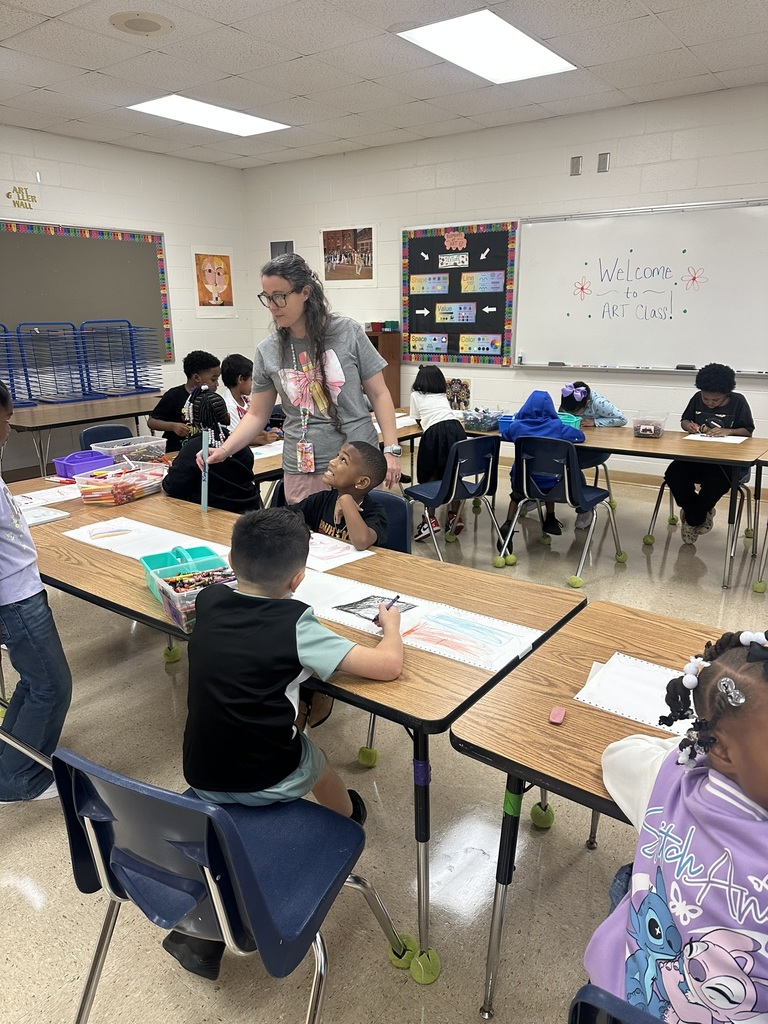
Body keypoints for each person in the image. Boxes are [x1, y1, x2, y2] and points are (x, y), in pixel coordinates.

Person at [163, 506, 403, 980]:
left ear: (232, 561)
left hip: (201, 774)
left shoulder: (210, 601)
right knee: (317, 759)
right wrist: (390, 629)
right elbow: (387, 666)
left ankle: (203, 929)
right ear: (298, 579)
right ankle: (348, 820)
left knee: (277, 730)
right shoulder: (296, 625)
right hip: (263, 775)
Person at [584, 628, 768, 1023]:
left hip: (614, 1005)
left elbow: (616, 756)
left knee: (630, 880)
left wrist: (694, 747)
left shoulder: (670, 778)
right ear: (721, 748)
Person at [199, 253, 402, 502]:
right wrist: (224, 450)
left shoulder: (347, 332)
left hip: (357, 463)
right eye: (267, 297)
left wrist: (391, 450)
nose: (272, 306)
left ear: (305, 292)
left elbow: (379, 394)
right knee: (308, 536)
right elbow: (256, 414)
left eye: (280, 297)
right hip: (302, 466)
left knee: (359, 535)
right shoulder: (268, 350)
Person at [0, 380, 72, 802]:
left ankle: (11, 758)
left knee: (35, 678)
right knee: (53, 685)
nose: (9, 429)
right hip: (14, 598)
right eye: (6, 419)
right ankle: (18, 782)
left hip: (20, 586)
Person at [665, 363, 754, 545]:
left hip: (724, 460)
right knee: (673, 473)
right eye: (707, 399)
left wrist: (729, 431)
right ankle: (698, 512)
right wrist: (688, 426)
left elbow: (748, 431)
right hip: (695, 455)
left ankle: (692, 518)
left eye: (716, 401)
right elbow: (684, 420)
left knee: (718, 482)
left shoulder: (739, 401)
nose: (710, 403)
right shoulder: (697, 397)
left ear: (727, 394)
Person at [497, 390, 585, 553]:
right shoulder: (558, 427)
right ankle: (550, 518)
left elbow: (505, 434)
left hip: (522, 482)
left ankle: (508, 523)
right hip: (551, 483)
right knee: (548, 475)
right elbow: (579, 436)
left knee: (516, 495)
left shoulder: (517, 426)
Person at [162, 387, 262, 513]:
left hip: (213, 515)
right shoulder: (238, 443)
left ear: (193, 419)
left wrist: (173, 471)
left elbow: (173, 487)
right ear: (226, 415)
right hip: (248, 510)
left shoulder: (193, 449)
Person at [291, 440, 388, 550]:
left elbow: (361, 542)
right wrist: (299, 529)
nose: (332, 462)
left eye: (343, 460)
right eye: (337, 456)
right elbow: (284, 516)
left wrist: (346, 501)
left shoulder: (375, 513)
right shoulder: (322, 499)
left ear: (361, 482)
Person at [409, 364, 467, 542]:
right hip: (456, 429)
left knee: (430, 475)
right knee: (453, 474)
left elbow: (417, 418)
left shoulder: (415, 395)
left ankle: (429, 520)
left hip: (434, 433)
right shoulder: (442, 395)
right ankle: (453, 517)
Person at [559, 380, 627, 528]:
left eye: (575, 413)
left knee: (571, 464)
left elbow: (622, 419)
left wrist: (595, 422)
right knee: (557, 459)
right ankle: (545, 495)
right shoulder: (568, 401)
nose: (570, 414)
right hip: (576, 445)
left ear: (587, 403)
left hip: (599, 449)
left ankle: (584, 508)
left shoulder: (598, 403)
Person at [147, 350, 221, 453]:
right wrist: (173, 426)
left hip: (204, 450)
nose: (217, 384)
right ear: (196, 377)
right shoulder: (174, 396)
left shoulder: (211, 398)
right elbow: (152, 422)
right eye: (213, 380)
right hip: (177, 451)